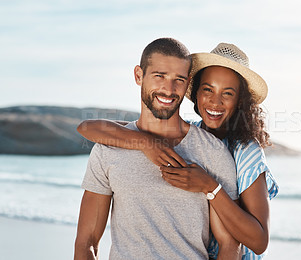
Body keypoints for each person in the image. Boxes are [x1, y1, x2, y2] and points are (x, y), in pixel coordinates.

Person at [77, 43, 279, 259]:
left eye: (178, 80)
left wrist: (210, 187)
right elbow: (92, 127)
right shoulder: (113, 144)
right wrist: (145, 142)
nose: (168, 88)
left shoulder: (234, 152)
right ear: (139, 75)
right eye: (159, 76)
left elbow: (246, 243)